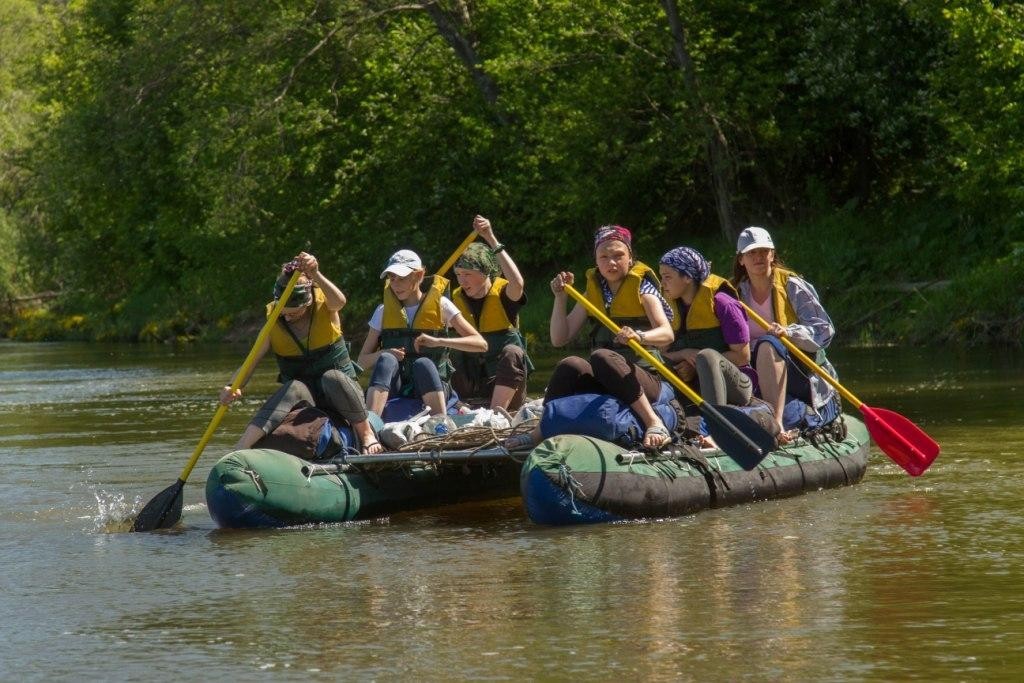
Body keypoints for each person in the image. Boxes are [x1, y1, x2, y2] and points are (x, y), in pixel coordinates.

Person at [504, 225, 675, 451]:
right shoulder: (592, 293)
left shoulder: (644, 290)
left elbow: (667, 333)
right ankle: (540, 431)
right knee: (570, 364)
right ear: (596, 260)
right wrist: (560, 298)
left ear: (630, 257)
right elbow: (559, 338)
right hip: (607, 378)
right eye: (603, 257)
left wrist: (640, 335)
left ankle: (653, 422)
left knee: (602, 356)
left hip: (648, 378)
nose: (611, 262)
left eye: (618, 255)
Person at [220, 252, 383, 455]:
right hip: (306, 401)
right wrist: (231, 386)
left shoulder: (325, 306)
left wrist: (316, 274)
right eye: (283, 312)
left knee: (332, 377)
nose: (287, 318)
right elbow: (250, 362)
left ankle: (366, 434)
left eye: (293, 313)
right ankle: (241, 450)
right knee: (293, 387)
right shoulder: (273, 323)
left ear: (307, 303)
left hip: (340, 394)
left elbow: (340, 301)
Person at [732, 226, 839, 443]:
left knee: (769, 343)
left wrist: (789, 332)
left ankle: (779, 423)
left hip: (800, 372)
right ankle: (780, 415)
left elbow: (824, 331)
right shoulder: (735, 293)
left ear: (772, 255)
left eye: (763, 251)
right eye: (751, 253)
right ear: (741, 260)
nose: (758, 257)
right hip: (757, 376)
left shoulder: (792, 285)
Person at [358, 249, 487, 417]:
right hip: (397, 387)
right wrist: (385, 352)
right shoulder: (383, 311)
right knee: (386, 359)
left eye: (402, 278)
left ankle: (440, 422)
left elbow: (481, 344)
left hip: (432, 385)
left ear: (419, 275)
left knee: (423, 363)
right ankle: (371, 427)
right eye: (392, 278)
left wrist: (439, 342)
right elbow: (361, 361)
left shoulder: (442, 305)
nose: (396, 284)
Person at [450, 215, 533, 412]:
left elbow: (518, 283)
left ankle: (496, 414)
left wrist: (490, 238)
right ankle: (456, 404)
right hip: (469, 390)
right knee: (446, 347)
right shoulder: (454, 300)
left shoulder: (505, 294)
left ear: (486, 271)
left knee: (513, 353)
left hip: (505, 388)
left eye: (468, 274)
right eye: (459, 275)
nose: (462, 281)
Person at [658, 246, 755, 409]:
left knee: (707, 357)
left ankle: (717, 424)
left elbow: (742, 357)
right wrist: (685, 354)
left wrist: (697, 366)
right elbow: (664, 353)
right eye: (661, 277)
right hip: (694, 383)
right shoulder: (668, 306)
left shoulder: (724, 303)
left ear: (687, 277)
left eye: (667, 277)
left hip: (737, 384)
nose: (662, 283)